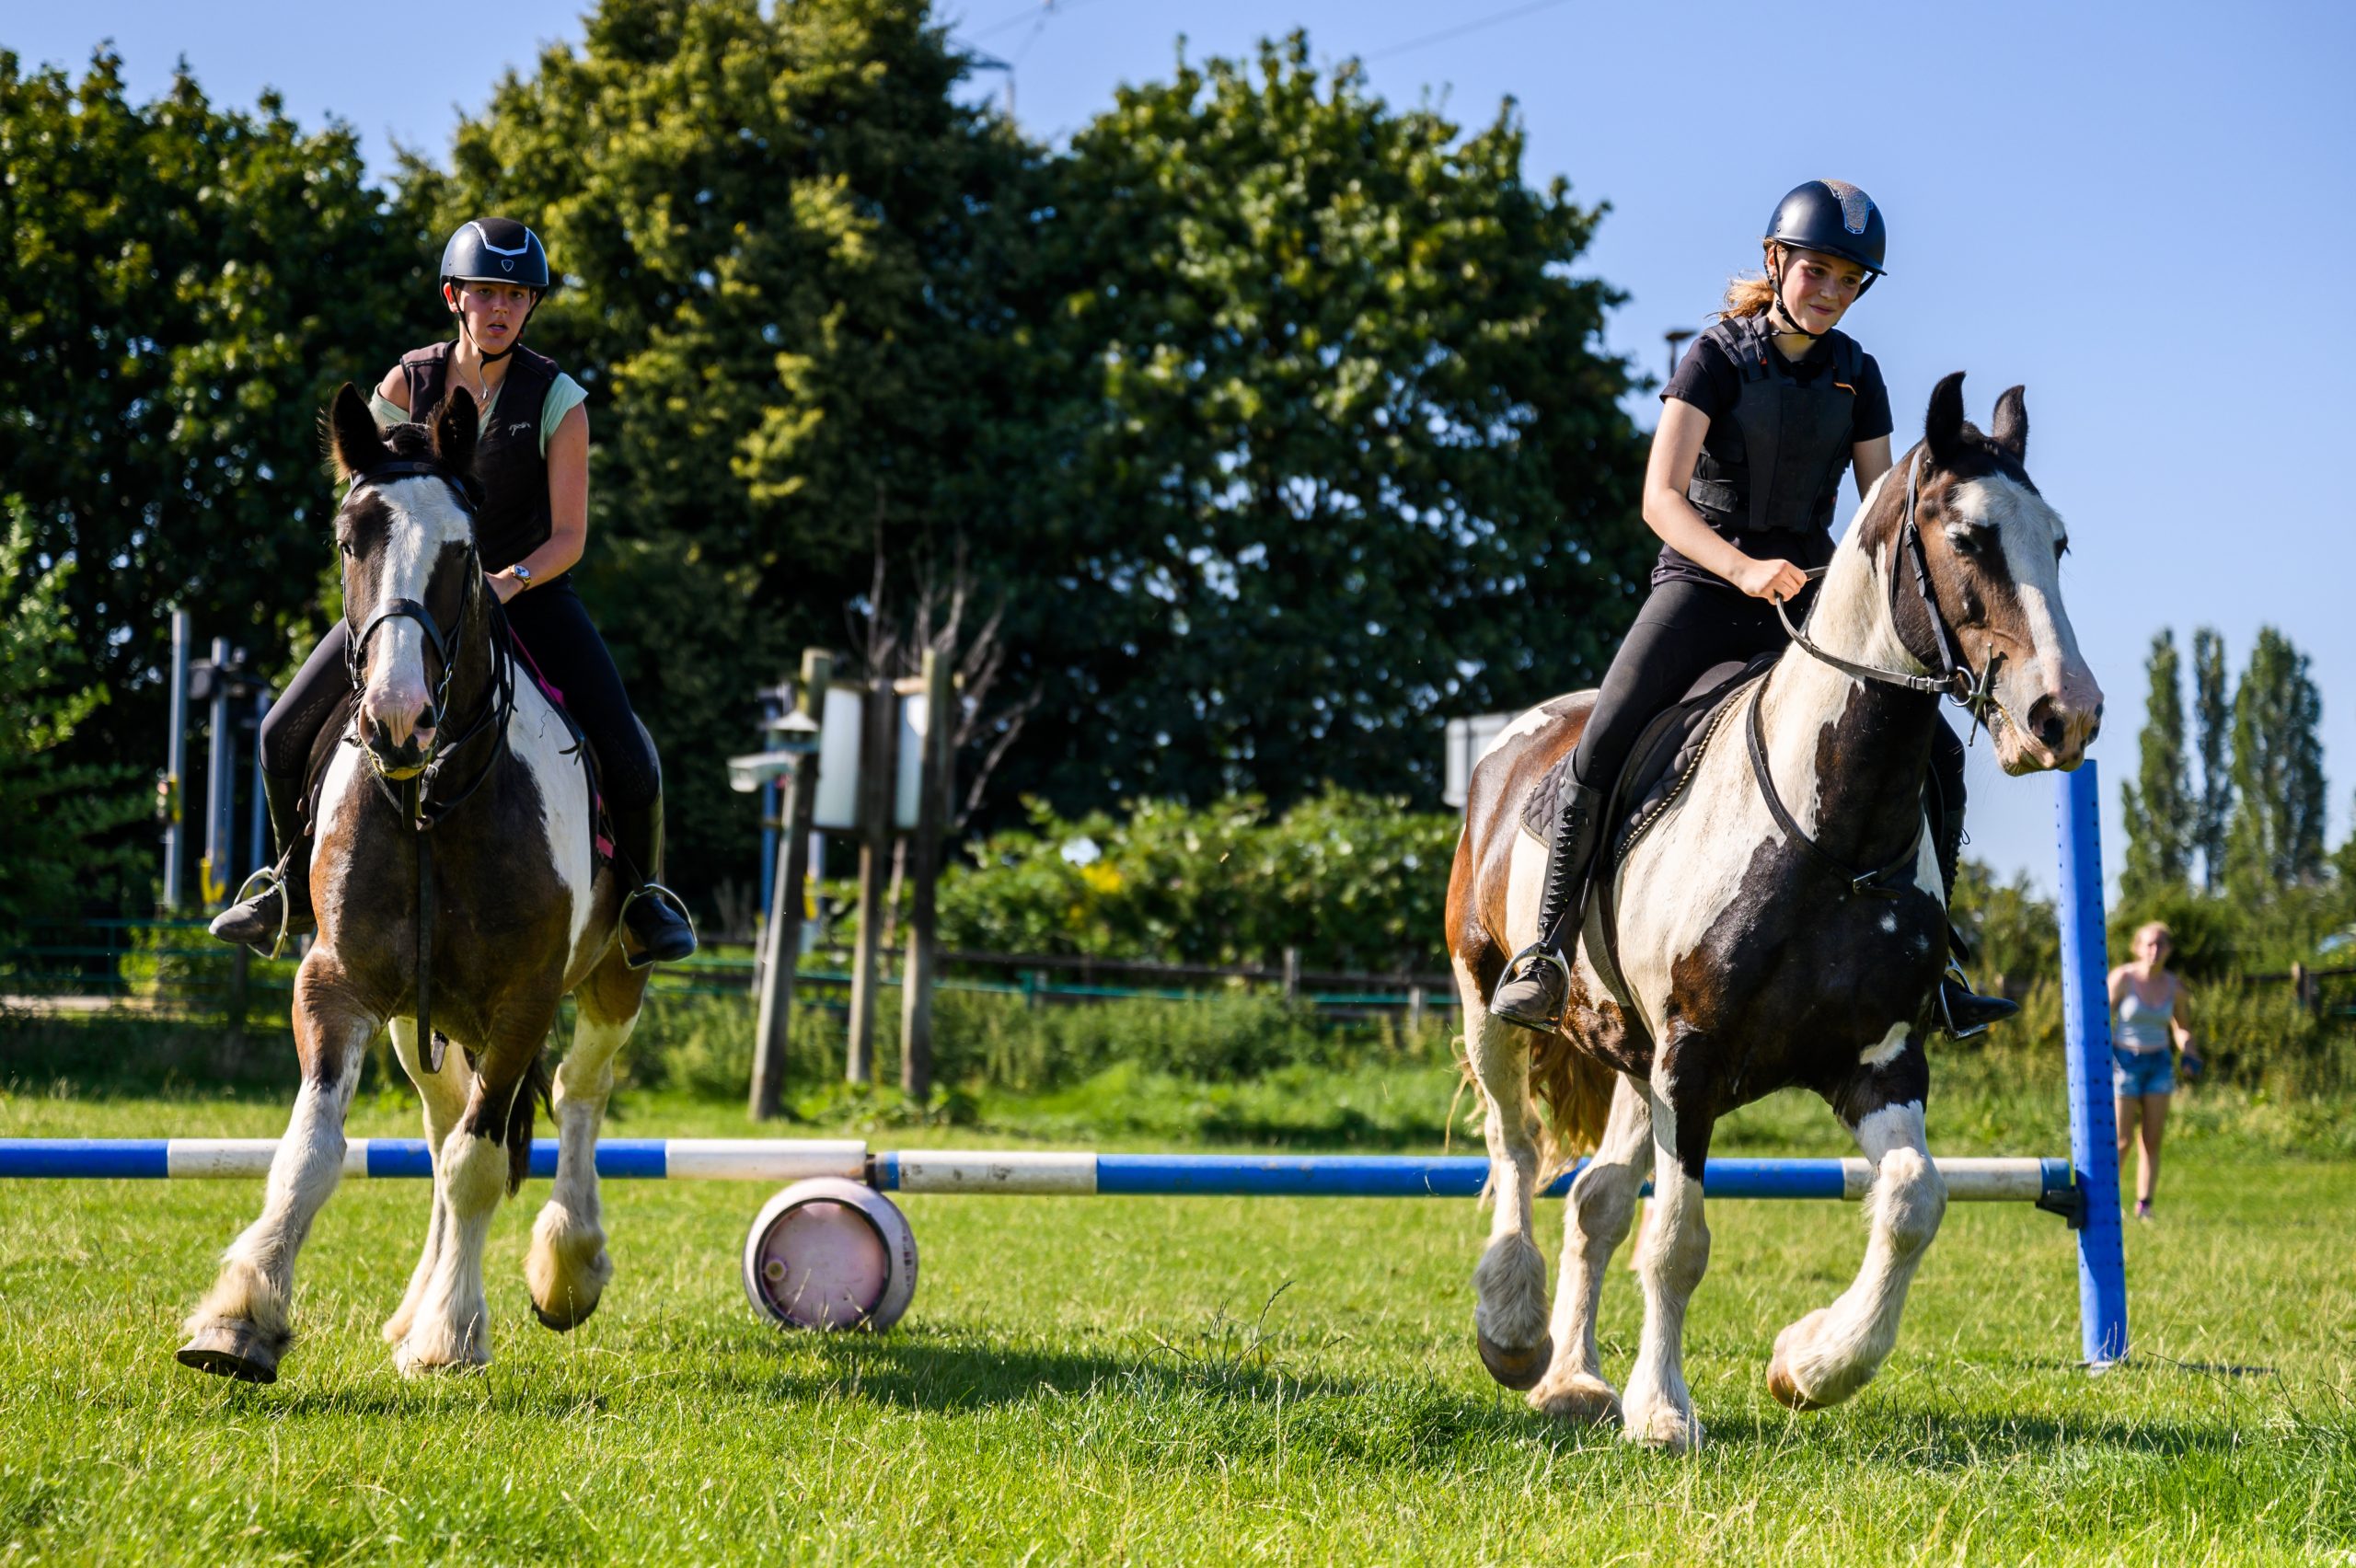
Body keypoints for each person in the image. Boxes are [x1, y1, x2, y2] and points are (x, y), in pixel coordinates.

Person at [1489, 180, 2010, 1038]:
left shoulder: (1858, 375)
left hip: (1808, 600)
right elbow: (1660, 499)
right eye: (1819, 272)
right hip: (1698, 589)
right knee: (1604, 741)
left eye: (1851, 281)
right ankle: (1544, 952)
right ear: (1776, 264)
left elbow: (1878, 509)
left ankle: (1938, 962)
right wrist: (1741, 567)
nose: (1834, 294)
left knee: (1941, 755)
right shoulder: (1713, 359)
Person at [210, 217, 698, 966]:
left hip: (525, 594)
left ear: (530, 305)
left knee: (631, 753)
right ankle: (287, 887)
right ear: (454, 297)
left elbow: (570, 536)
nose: (500, 307)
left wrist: (508, 580)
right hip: (415, 600)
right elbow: (367, 496)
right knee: (280, 733)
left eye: (515, 294)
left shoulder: (559, 398)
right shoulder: (406, 382)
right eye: (484, 293)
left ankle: (641, 901)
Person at [2108, 921, 2200, 1219]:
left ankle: (2144, 1206)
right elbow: (2098, 1018)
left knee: (2151, 1138)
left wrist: (2189, 1051)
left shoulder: (2174, 986)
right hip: (2124, 1063)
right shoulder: (2122, 978)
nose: (2154, 950)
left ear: (2169, 950)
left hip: (2159, 1063)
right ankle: (2106, 1200)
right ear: (2137, 947)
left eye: (2161, 944)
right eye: (2149, 944)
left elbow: (2182, 1026)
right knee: (2121, 1139)